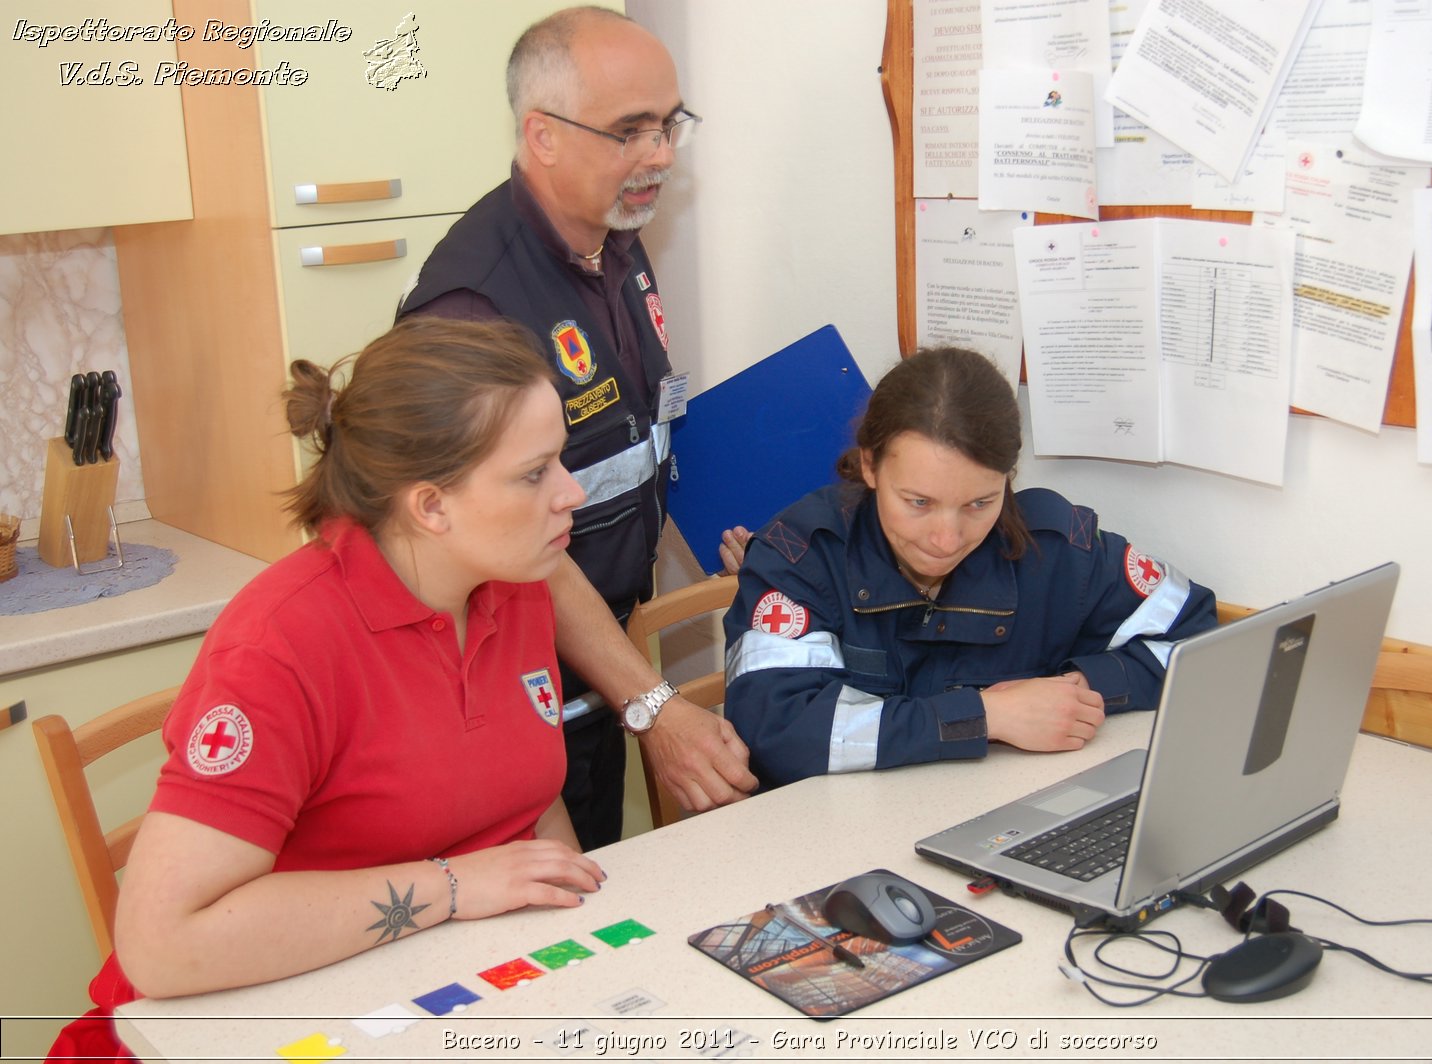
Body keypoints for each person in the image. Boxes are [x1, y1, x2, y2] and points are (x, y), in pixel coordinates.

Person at [47, 318, 614, 1058]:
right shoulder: (282, 644)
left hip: (423, 994)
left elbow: (527, 805)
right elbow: (163, 944)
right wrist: (450, 887)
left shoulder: (511, 585)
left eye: (561, 461)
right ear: (431, 506)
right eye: (535, 473)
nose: (571, 492)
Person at [398, 5, 755, 848]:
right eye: (630, 131)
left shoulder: (615, 237)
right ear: (542, 135)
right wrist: (653, 702)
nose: (660, 155)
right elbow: (515, 542)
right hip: (516, 695)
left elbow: (635, 442)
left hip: (602, 664)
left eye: (669, 126)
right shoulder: (473, 308)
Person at [722, 347, 1218, 788]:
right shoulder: (800, 557)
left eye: (980, 503)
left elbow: (1197, 644)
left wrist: (1075, 693)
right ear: (870, 465)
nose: (946, 539)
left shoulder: (1059, 550)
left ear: (1009, 478)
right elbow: (778, 735)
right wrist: (985, 716)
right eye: (918, 501)